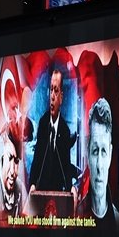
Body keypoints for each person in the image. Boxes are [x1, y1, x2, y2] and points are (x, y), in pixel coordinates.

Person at [28, 65, 78, 204]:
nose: (52, 97)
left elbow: (66, 167)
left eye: (56, 91)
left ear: (61, 97)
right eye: (51, 90)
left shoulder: (65, 130)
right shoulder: (43, 123)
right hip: (41, 193)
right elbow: (37, 159)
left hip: (58, 195)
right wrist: (32, 183)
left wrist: (71, 187)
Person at [80, 97, 119, 229]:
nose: (99, 166)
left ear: (110, 155)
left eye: (104, 152)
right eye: (95, 151)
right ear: (87, 154)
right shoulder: (74, 217)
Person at [0, 125, 24, 225]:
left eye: (16, 161)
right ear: (1, 159)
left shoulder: (21, 189)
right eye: (9, 158)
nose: (12, 171)